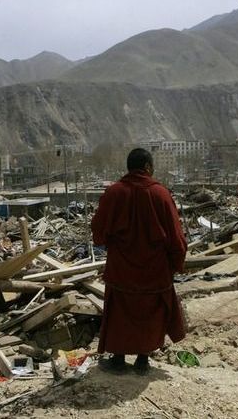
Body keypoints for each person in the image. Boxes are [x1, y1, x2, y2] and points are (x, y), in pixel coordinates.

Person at [91, 148, 187, 375]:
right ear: (147, 167)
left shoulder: (114, 193)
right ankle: (143, 360)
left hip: (121, 269)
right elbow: (177, 238)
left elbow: (98, 230)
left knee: (120, 315)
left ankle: (118, 359)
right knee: (150, 315)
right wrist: (173, 266)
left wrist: (112, 243)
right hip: (155, 271)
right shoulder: (161, 194)